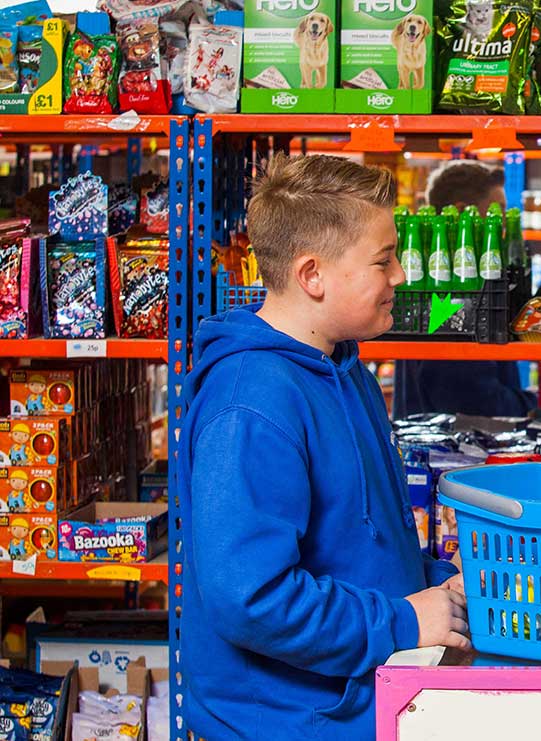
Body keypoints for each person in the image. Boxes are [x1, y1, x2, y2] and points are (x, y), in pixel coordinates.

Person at [177, 155, 470, 740]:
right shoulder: (251, 404)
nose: (402, 277)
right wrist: (404, 620)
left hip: (352, 706)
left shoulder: (342, 367)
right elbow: (252, 598)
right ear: (313, 275)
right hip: (285, 723)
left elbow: (352, 547)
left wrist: (440, 586)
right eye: (384, 261)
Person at [392, 161, 536, 419]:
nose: (502, 220)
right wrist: (532, 405)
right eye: (497, 209)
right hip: (455, 452)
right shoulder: (450, 295)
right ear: (461, 212)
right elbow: (474, 403)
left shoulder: (446, 280)